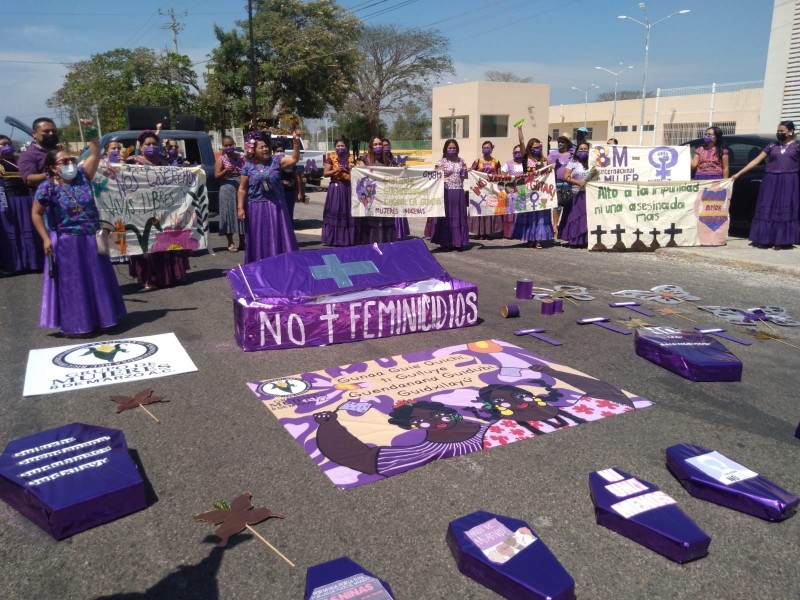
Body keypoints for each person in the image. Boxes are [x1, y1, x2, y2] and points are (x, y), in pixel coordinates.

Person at [30, 121, 126, 336]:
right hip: (66, 241)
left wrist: (92, 130)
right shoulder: (47, 188)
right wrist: (46, 239)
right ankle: (78, 324)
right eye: (64, 161)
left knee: (97, 280)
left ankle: (103, 319)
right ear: (53, 167)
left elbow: (95, 151)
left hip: (91, 239)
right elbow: (36, 214)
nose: (70, 163)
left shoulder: (83, 176)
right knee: (74, 286)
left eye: (71, 159)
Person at [126, 129, 189, 289]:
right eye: (148, 144)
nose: (152, 147)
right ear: (141, 147)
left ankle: (170, 276)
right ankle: (148, 278)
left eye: (154, 144)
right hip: (142, 210)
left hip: (164, 209)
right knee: (146, 244)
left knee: (166, 240)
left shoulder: (165, 163)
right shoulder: (132, 163)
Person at [732, 121, 798, 249]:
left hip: (789, 180)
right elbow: (756, 160)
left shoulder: (797, 146)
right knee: (768, 207)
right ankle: (764, 239)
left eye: (782, 131)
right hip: (771, 179)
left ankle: (782, 241)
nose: (779, 133)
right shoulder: (772, 145)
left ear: (790, 132)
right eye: (778, 131)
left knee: (783, 209)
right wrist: (739, 173)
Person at [237, 133, 299, 262]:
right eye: (261, 147)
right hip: (256, 207)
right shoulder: (248, 166)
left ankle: (281, 263)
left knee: (278, 234)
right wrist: (240, 208)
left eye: (266, 146)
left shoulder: (276, 161)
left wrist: (296, 142)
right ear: (253, 150)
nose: (265, 149)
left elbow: (294, 159)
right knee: (259, 237)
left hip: (276, 206)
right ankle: (260, 263)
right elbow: (242, 188)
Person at [0, 135, 43, 273]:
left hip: (26, 200)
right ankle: (15, 265)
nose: (6, 146)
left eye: (8, 143)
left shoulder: (20, 161)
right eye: (2, 144)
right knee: (13, 231)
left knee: (30, 230)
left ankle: (34, 262)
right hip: (8, 202)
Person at [509, 128, 556, 248]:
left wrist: (552, 166)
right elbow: (522, 143)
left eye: (539, 147)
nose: (537, 149)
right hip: (526, 190)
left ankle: (539, 239)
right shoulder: (526, 159)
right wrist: (520, 130)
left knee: (540, 215)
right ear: (530, 148)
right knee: (527, 214)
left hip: (541, 191)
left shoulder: (545, 160)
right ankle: (529, 237)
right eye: (535, 147)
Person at [354, 137, 397, 244]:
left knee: (385, 222)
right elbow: (358, 174)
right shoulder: (364, 159)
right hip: (370, 198)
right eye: (375, 144)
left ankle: (385, 246)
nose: (378, 146)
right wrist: (359, 167)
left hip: (385, 197)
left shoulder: (389, 160)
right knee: (371, 223)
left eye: (380, 144)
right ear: (371, 146)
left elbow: (396, 175)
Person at [430, 139, 470, 251]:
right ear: (445, 149)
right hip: (446, 192)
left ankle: (459, 242)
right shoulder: (440, 162)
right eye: (450, 148)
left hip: (458, 192)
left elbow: (464, 177)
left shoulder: (462, 161)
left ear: (457, 149)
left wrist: (466, 170)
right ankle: (447, 242)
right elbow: (434, 177)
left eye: (454, 148)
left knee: (459, 217)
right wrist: (438, 170)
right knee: (447, 218)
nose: (452, 150)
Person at [321, 138, 356, 246]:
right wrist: (336, 170)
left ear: (346, 147)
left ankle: (347, 239)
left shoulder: (351, 158)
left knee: (348, 212)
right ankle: (333, 239)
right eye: (338, 146)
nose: (340, 148)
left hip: (347, 188)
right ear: (335, 147)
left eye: (342, 146)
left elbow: (359, 171)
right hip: (335, 188)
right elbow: (325, 173)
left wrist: (353, 168)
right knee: (335, 211)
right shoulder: (331, 158)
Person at [215, 136, 246, 252]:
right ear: (223, 147)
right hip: (226, 189)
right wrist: (225, 171)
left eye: (230, 145)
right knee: (228, 214)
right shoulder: (221, 159)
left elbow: (249, 169)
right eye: (226, 146)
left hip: (240, 188)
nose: (228, 147)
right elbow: (216, 176)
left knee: (241, 214)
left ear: (234, 144)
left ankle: (243, 241)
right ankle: (231, 242)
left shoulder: (241, 157)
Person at [468, 140, 503, 240]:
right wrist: (470, 170)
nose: (485, 149)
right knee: (480, 209)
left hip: (491, 189)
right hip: (480, 189)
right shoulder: (477, 161)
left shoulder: (496, 161)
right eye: (484, 148)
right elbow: (472, 171)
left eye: (488, 147)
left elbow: (499, 175)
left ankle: (488, 232)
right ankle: (480, 232)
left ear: (492, 149)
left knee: (489, 209)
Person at [560, 141, 592, 248]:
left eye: (585, 149)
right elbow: (566, 177)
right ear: (577, 151)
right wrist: (578, 182)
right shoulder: (572, 162)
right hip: (576, 194)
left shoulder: (592, 162)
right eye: (581, 149)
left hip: (589, 194)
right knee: (576, 216)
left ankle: (586, 240)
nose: (583, 151)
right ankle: (575, 239)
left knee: (587, 217)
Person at [18, 117, 60, 191]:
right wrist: (53, 174)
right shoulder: (28, 155)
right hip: (46, 198)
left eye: (53, 131)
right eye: (46, 131)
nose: (51, 134)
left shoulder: (60, 152)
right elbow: (29, 180)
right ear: (34, 133)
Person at [382, 137, 410, 240]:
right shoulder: (379, 161)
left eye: (388, 145)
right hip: (384, 189)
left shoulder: (393, 159)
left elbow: (400, 172)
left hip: (395, 189)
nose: (386, 147)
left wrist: (403, 167)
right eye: (384, 145)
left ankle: (399, 232)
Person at [548, 134, 574, 240]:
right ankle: (555, 227)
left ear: (567, 143)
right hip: (556, 184)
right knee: (557, 207)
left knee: (568, 209)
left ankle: (564, 230)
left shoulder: (572, 155)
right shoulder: (552, 154)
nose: (560, 143)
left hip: (569, 185)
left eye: (563, 141)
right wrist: (550, 163)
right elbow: (547, 165)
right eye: (559, 141)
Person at [273, 143, 302, 223]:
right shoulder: (271, 164)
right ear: (273, 152)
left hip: (289, 191)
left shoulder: (290, 163)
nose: (279, 153)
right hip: (276, 193)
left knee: (289, 213)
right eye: (277, 151)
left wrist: (299, 192)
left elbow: (297, 178)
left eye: (281, 151)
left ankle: (289, 231)